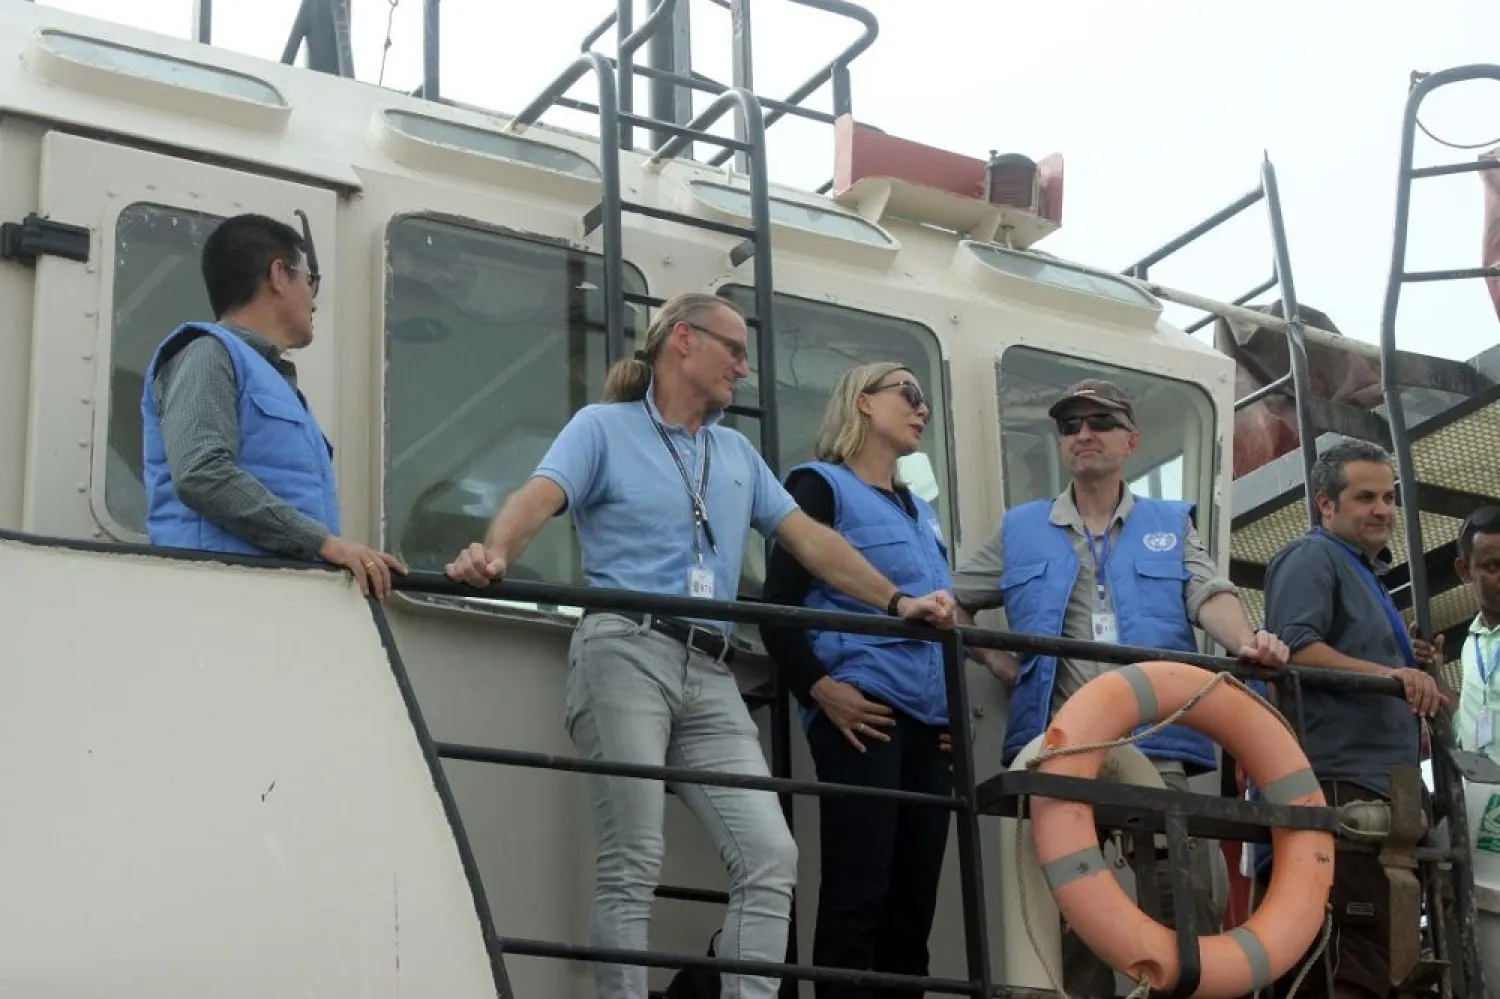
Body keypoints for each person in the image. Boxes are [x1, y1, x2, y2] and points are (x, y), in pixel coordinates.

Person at [443, 293, 956, 999]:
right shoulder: (602, 428)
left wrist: (897, 602)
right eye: (735, 351)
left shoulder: (737, 452)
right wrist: (495, 552)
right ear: (682, 341)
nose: (744, 369)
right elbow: (541, 495)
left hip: (709, 666)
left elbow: (813, 542)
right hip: (626, 647)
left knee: (771, 854)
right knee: (633, 856)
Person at [949, 379, 1288, 996]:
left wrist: (1247, 642)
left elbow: (1209, 594)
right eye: (1070, 424)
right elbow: (954, 605)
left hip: (1158, 747)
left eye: (1099, 422)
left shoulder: (1169, 522)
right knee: (1072, 926)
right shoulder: (1021, 529)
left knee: (1184, 905)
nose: (1083, 433)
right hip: (1060, 755)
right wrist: (1005, 668)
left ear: (1131, 441)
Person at [759, 363, 953, 999]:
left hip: (928, 725)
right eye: (910, 394)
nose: (922, 408)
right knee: (859, 884)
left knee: (914, 900)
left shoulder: (922, 514)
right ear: (864, 403)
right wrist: (819, 689)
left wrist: (950, 715)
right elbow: (779, 607)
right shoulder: (819, 489)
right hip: (862, 709)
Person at [1260, 437, 1449, 999]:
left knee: (1383, 960)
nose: (1383, 510)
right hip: (1340, 790)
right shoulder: (1311, 557)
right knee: (1348, 961)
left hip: (1384, 793)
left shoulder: (1362, 571)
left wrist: (1402, 661)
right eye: (1365, 497)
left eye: (1389, 498)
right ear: (1325, 504)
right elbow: (1293, 649)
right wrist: (1389, 675)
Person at [140, 212, 404, 597]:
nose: (313, 300)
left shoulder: (276, 383)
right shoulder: (206, 354)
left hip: (269, 599)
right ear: (279, 275)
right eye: (309, 280)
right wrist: (326, 544)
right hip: (215, 597)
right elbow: (201, 472)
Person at [1453, 505, 1500, 766]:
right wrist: (1434, 676)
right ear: (1464, 571)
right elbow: (1464, 722)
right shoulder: (1472, 643)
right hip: (1483, 799)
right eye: (1493, 567)